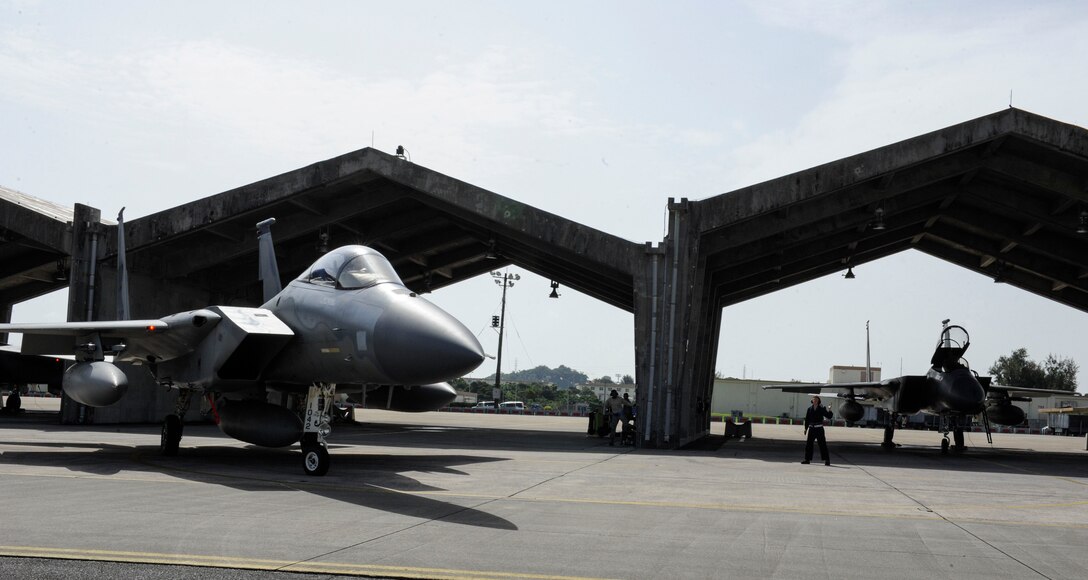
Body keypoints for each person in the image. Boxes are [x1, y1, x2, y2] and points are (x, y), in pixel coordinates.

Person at [802, 395, 833, 465]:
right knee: (809, 445)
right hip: (811, 429)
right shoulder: (809, 409)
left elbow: (829, 416)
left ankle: (827, 460)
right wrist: (806, 428)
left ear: (818, 401)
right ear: (812, 401)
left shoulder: (821, 409)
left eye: (816, 400)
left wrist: (829, 409)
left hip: (819, 429)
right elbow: (807, 419)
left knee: (822, 445)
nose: (815, 401)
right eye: (814, 400)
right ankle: (807, 459)